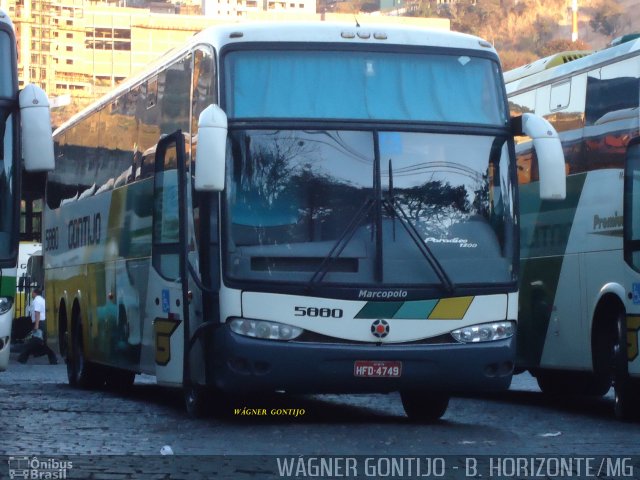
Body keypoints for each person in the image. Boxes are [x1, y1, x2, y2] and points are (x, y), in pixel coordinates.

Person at [17, 287, 57, 365]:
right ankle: (53, 359)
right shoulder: (42, 300)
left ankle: (22, 358)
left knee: (33, 341)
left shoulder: (36, 301)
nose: (31, 294)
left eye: (32, 292)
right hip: (43, 322)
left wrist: (36, 325)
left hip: (39, 323)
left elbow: (37, 313)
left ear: (35, 293)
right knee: (42, 342)